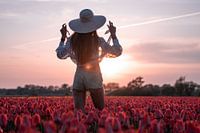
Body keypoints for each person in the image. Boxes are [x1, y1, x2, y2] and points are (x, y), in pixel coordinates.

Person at [56, 9, 122, 113]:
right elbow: (117, 51)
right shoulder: (98, 41)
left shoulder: (72, 41)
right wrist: (113, 35)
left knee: (79, 114)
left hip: (79, 77)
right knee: (100, 111)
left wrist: (63, 38)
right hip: (94, 76)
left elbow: (60, 54)